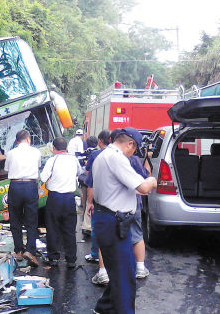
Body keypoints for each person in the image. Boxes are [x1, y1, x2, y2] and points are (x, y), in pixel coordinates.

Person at [92, 127, 157, 314]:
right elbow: (144, 187)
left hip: (108, 219)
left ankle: (105, 307)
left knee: (122, 269)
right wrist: (153, 180)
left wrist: (143, 185)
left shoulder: (104, 155)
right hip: (113, 221)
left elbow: (125, 187)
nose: (132, 154)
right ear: (130, 144)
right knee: (125, 276)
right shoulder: (116, 158)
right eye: (133, 150)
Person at [40, 137, 83, 268]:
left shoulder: (52, 160)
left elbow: (42, 177)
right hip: (69, 198)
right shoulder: (74, 160)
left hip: (55, 198)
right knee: (69, 229)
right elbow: (79, 173)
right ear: (66, 148)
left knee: (52, 228)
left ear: (54, 148)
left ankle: (53, 257)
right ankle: (71, 260)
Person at [4, 130, 42, 267]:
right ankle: (30, 250)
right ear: (28, 139)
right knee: (31, 220)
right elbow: (38, 166)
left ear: (17, 140)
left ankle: (19, 250)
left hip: (15, 186)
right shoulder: (36, 152)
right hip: (30, 185)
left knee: (15, 219)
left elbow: (7, 169)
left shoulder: (11, 153)